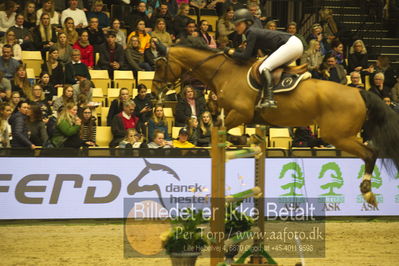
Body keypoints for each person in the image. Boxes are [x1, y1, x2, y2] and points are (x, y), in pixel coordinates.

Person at [225, 8, 304, 109]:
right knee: (271, 67)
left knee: (264, 67)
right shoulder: (252, 32)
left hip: (291, 45)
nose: (236, 27)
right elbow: (251, 56)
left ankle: (269, 99)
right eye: (235, 25)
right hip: (294, 45)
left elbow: (245, 56)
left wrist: (230, 52)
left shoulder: (251, 32)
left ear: (247, 23)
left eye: (238, 24)